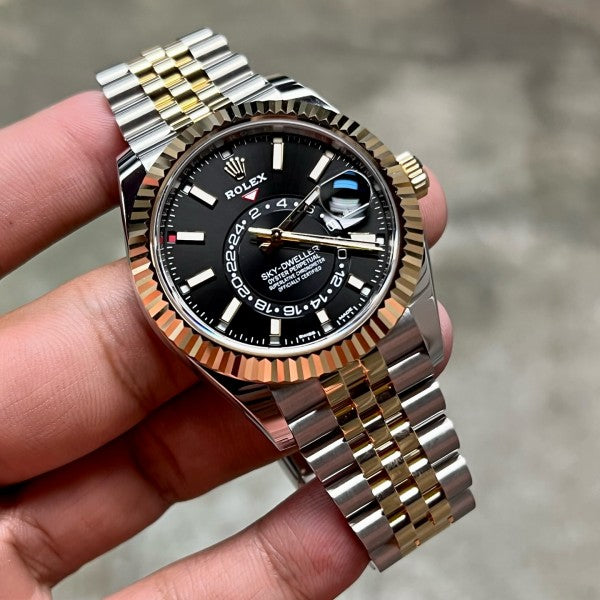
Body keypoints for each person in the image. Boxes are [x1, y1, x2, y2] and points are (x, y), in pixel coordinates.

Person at [0, 92, 452, 599]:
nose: (274, 240)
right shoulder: (168, 260)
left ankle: (378, 473)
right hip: (272, 355)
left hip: (365, 315)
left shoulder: (301, 128)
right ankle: (371, 475)